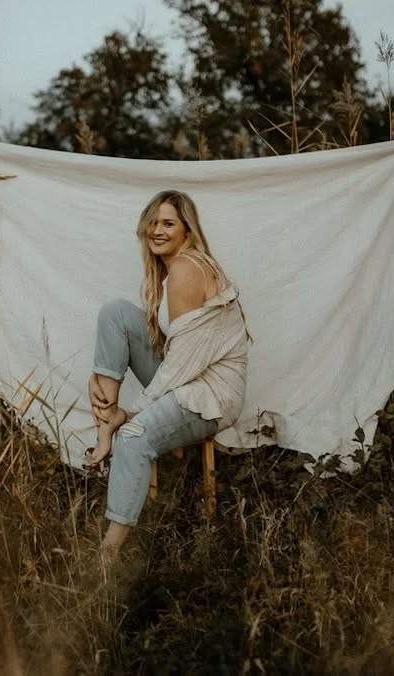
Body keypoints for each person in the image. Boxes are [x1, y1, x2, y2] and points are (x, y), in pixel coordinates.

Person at [86, 189, 250, 559]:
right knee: (115, 314)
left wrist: (131, 414)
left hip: (210, 394)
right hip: (187, 375)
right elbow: (176, 355)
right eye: (153, 223)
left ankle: (108, 556)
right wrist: (100, 377)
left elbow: (180, 368)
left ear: (187, 233)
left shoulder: (187, 269)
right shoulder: (173, 270)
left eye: (168, 223)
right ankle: (104, 425)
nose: (157, 230)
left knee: (132, 438)